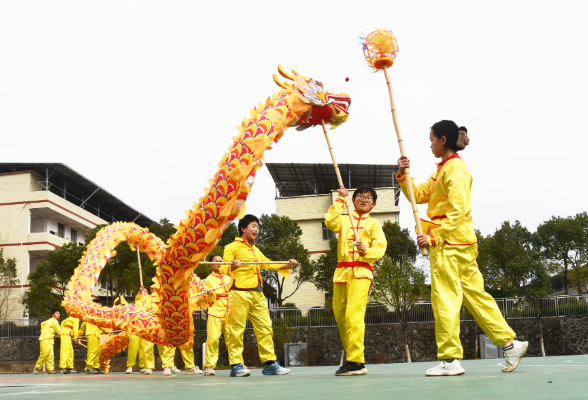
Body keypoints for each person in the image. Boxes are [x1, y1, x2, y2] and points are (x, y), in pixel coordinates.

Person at [396, 120, 528, 376]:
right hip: (461, 243)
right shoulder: (444, 169)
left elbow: (457, 211)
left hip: (449, 243)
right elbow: (420, 194)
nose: (430, 144)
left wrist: (434, 237)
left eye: (432, 139)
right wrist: (403, 174)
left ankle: (450, 359)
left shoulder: (455, 170)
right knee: (476, 296)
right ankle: (511, 345)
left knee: (445, 298)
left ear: (442, 140)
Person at [220, 214, 295, 377]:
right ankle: (236, 365)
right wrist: (233, 266)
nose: (257, 229)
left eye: (258, 227)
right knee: (235, 329)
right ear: (243, 228)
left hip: (257, 292)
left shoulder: (255, 250)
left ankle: (269, 363)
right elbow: (222, 269)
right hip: (238, 292)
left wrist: (286, 264)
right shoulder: (231, 247)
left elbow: (267, 263)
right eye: (253, 226)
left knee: (265, 327)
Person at [325, 185, 387, 376]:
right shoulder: (345, 220)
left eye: (368, 198)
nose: (363, 199)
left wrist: (365, 251)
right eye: (359, 196)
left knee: (354, 315)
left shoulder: (374, 225)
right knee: (341, 316)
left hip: (361, 271)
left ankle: (356, 361)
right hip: (341, 272)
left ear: (373, 204)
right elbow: (329, 222)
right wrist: (340, 199)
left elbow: (380, 247)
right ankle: (352, 358)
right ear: (353, 200)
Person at [202, 253, 233, 376]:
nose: (219, 263)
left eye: (221, 261)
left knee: (233, 338)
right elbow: (208, 300)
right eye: (216, 261)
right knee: (213, 339)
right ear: (210, 264)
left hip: (230, 310)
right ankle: (209, 366)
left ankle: (237, 363)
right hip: (215, 311)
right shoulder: (208, 280)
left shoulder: (229, 278)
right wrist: (209, 294)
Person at [126, 286, 155, 375]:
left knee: (146, 347)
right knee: (133, 346)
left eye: (145, 291)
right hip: (136, 327)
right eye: (143, 291)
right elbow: (137, 301)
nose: (144, 292)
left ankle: (145, 366)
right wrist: (139, 292)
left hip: (147, 327)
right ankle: (130, 366)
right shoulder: (138, 302)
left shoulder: (152, 301)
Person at [34, 309, 61, 374]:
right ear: (53, 315)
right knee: (44, 354)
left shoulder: (50, 320)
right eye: (57, 313)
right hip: (45, 338)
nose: (58, 315)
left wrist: (44, 331)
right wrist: (65, 335)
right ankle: (37, 368)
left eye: (59, 313)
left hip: (50, 339)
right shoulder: (54, 321)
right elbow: (59, 331)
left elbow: (42, 323)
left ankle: (50, 369)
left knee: (50, 355)